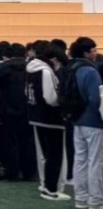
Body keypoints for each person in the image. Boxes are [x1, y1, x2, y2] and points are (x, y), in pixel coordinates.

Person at [0, 44, 37, 182]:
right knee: (27, 141)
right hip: (28, 109)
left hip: (7, 111)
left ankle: (11, 171)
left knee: (8, 142)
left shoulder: (2, 70)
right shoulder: (31, 69)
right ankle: (29, 172)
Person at [28, 43, 70, 201]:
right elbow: (51, 98)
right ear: (54, 59)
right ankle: (51, 189)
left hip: (35, 115)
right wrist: (63, 103)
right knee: (55, 156)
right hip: (51, 118)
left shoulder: (30, 69)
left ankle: (45, 184)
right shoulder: (46, 71)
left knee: (45, 155)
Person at [68, 37, 103, 209]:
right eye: (93, 50)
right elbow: (96, 99)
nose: (96, 53)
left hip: (77, 120)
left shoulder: (72, 69)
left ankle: (81, 198)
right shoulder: (91, 71)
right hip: (93, 121)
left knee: (80, 160)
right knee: (95, 161)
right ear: (86, 53)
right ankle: (96, 200)